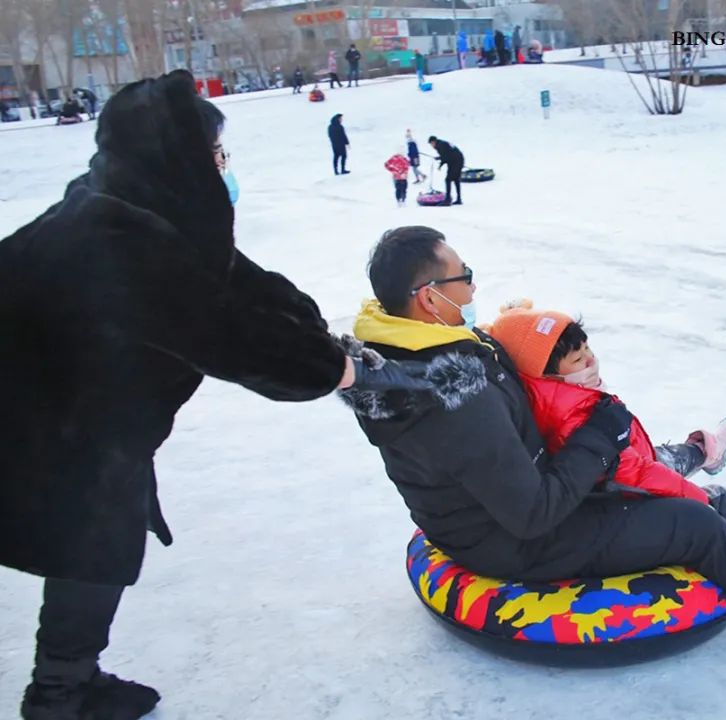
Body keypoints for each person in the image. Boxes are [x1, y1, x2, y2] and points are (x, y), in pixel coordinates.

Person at [0, 70, 428, 720]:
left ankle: (66, 683)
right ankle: (58, 698)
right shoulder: (118, 243)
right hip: (42, 417)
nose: (225, 167)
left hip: (66, 410)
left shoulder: (129, 205)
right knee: (96, 538)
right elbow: (228, 335)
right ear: (183, 160)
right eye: (218, 155)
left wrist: (318, 333)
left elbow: (237, 283)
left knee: (98, 538)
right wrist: (344, 374)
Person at [338, 226, 726, 651]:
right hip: (510, 537)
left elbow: (492, 374)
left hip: (508, 492)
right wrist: (596, 438)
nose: (473, 285)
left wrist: (557, 376)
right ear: (428, 297)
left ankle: (698, 454)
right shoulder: (453, 400)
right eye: (464, 277)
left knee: (644, 466)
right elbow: (532, 514)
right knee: (694, 521)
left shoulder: (412, 347)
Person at [486, 302, 726, 564]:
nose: (590, 359)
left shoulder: (560, 393)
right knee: (720, 500)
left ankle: (705, 452)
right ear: (548, 375)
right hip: (620, 491)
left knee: (665, 458)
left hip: (627, 463)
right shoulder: (574, 417)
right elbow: (635, 474)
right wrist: (696, 499)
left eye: (588, 349)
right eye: (578, 358)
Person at [428, 135, 464, 206]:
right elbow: (446, 155)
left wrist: (440, 164)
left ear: (434, 142)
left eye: (431, 144)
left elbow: (446, 157)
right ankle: (459, 199)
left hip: (455, 162)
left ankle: (447, 200)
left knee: (448, 180)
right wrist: (439, 158)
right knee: (456, 179)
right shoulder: (441, 144)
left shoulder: (440, 146)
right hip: (458, 160)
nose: (431, 146)